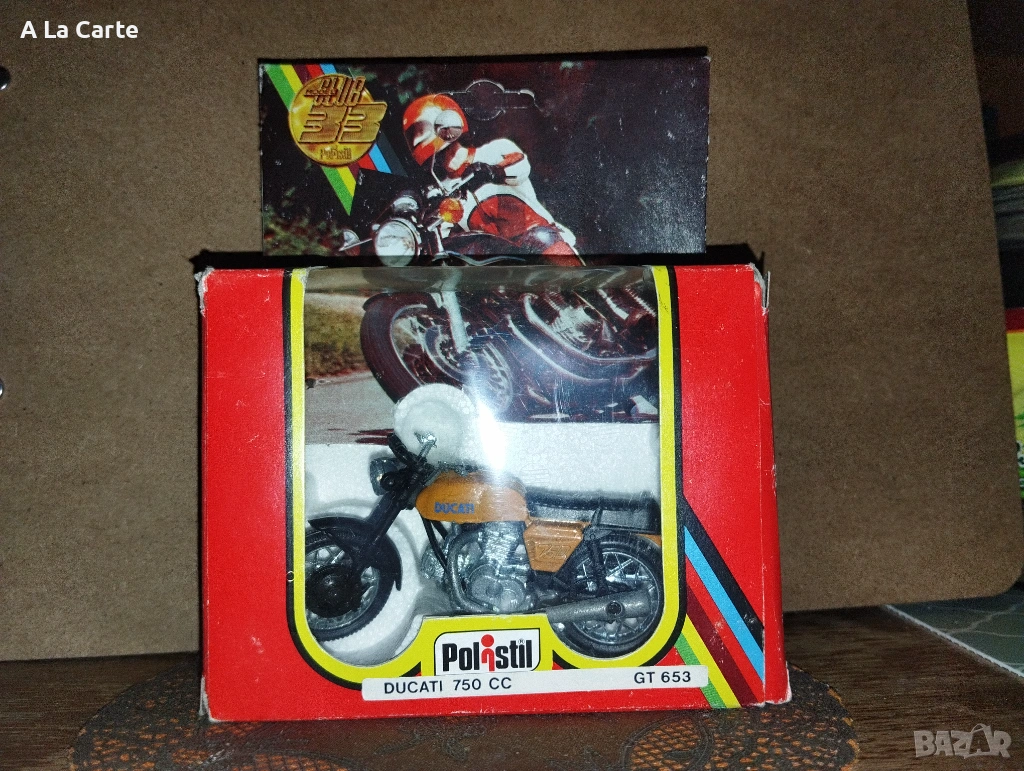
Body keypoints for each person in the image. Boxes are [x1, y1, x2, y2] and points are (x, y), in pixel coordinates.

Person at [402, 94, 581, 265]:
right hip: (498, 262)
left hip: (538, 237)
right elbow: (444, 236)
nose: (444, 158)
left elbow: (520, 166)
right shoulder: (444, 191)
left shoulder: (495, 150)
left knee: (542, 239)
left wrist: (493, 171)